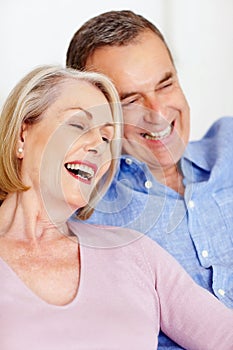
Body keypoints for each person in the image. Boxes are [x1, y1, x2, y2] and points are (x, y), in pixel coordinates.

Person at [0, 65, 233, 350]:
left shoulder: (134, 251)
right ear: (23, 135)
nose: (98, 146)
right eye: (78, 125)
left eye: (107, 139)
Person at [66, 10, 233, 349]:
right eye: (129, 99)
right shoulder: (79, 208)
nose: (157, 113)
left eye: (166, 83)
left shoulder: (227, 146)